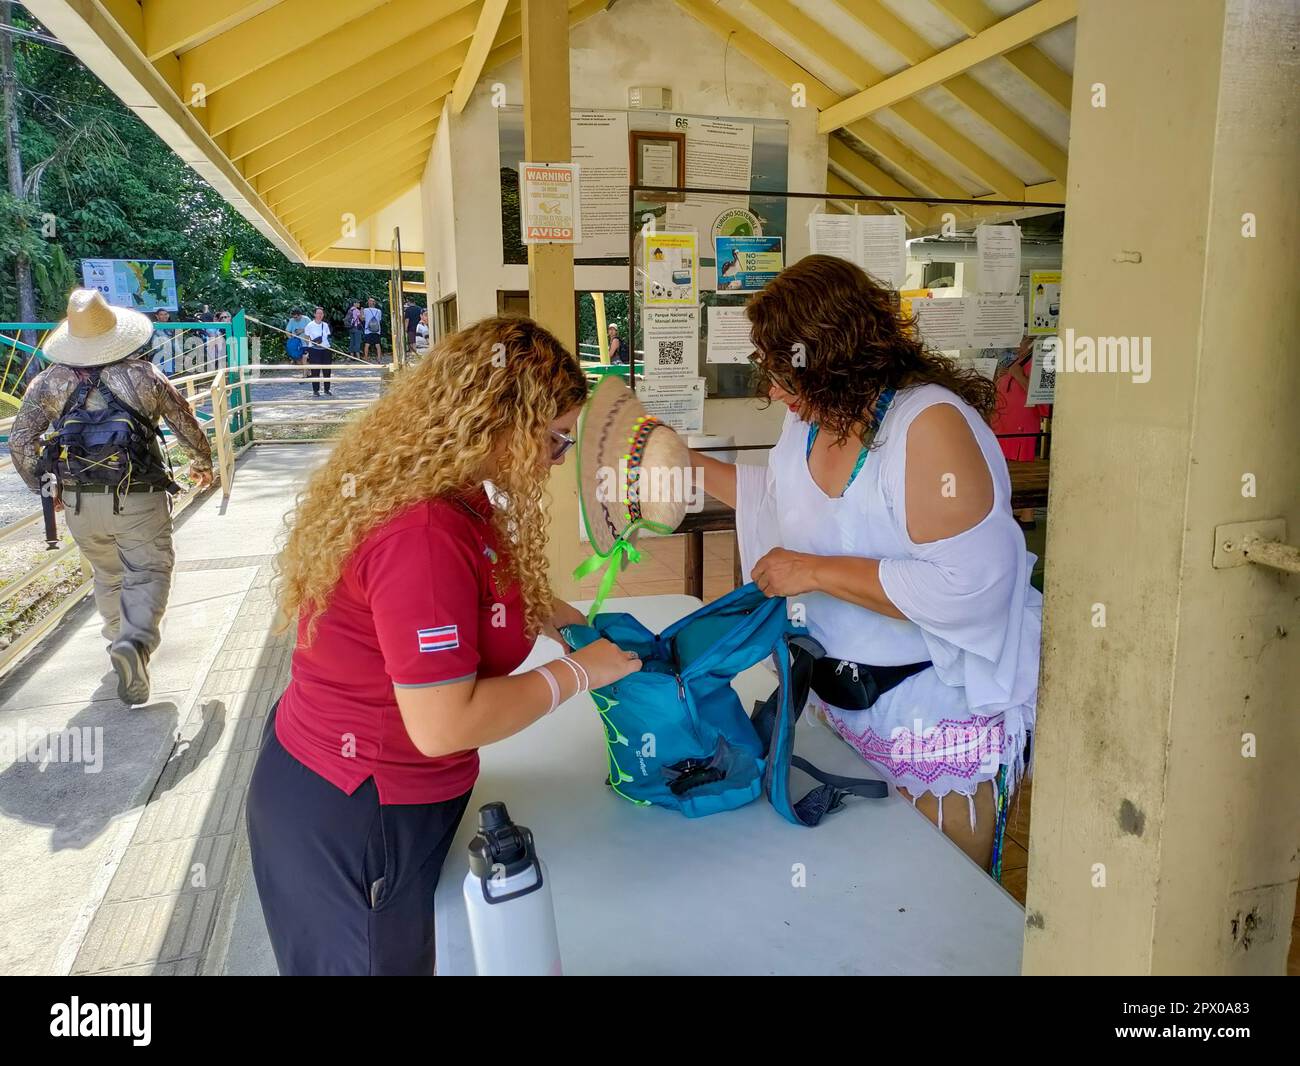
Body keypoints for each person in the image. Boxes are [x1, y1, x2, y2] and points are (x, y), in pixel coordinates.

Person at [245, 315, 639, 975]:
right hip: (357, 814)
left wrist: (565, 621)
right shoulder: (421, 532)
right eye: (557, 439)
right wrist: (579, 673)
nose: (559, 458)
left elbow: (486, 590)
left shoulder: (452, 493)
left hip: (366, 791)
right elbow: (442, 724)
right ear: (500, 422)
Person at [690, 255, 1041, 873]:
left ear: (833, 358)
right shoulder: (810, 423)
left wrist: (815, 572)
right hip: (839, 704)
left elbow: (969, 586)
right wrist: (684, 467)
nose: (773, 390)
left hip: (931, 713)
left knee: (937, 909)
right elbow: (781, 501)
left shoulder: (927, 423)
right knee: (862, 906)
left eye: (782, 371)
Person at [7, 290, 214, 705]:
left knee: (108, 575)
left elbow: (20, 443)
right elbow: (185, 423)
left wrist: (47, 488)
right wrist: (203, 462)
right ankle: (134, 644)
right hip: (138, 496)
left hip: (81, 500)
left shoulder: (47, 382)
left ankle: (119, 641)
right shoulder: (144, 375)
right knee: (148, 572)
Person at [992, 335, 1048, 529]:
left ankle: (1028, 516)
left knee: (1023, 464)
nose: (1018, 344)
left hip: (1022, 423)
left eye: (1023, 340)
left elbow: (1037, 393)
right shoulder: (1020, 361)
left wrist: (1017, 375)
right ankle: (1018, 510)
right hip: (1007, 423)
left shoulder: (1036, 362)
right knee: (1010, 466)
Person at [303, 306, 333, 397]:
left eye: (321, 313)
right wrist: (312, 344)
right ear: (314, 314)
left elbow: (327, 337)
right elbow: (306, 337)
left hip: (326, 349)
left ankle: (327, 389)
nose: (320, 315)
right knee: (315, 370)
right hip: (314, 350)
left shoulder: (325, 325)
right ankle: (315, 390)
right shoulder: (310, 325)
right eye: (318, 313)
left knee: (327, 370)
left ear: (323, 315)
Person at [149, 309, 178, 376]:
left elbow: (174, 341)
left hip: (169, 354)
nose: (164, 316)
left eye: (166, 314)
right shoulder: (152, 326)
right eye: (161, 314)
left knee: (169, 374)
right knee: (159, 376)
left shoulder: (171, 327)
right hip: (157, 354)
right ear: (157, 316)